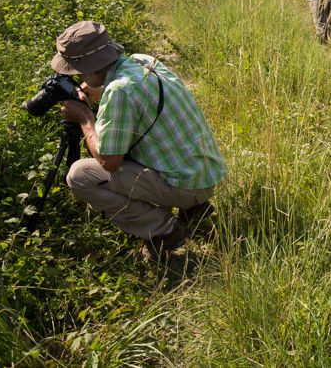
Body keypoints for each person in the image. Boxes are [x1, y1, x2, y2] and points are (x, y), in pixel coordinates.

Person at [53, 21, 227, 260]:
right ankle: (194, 208)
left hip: (185, 185)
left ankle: (164, 230)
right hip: (203, 173)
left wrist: (84, 117)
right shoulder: (142, 60)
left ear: (91, 67)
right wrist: (96, 90)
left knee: (81, 176)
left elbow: (109, 161)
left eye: (77, 71)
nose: (77, 76)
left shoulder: (119, 91)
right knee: (131, 143)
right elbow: (135, 94)